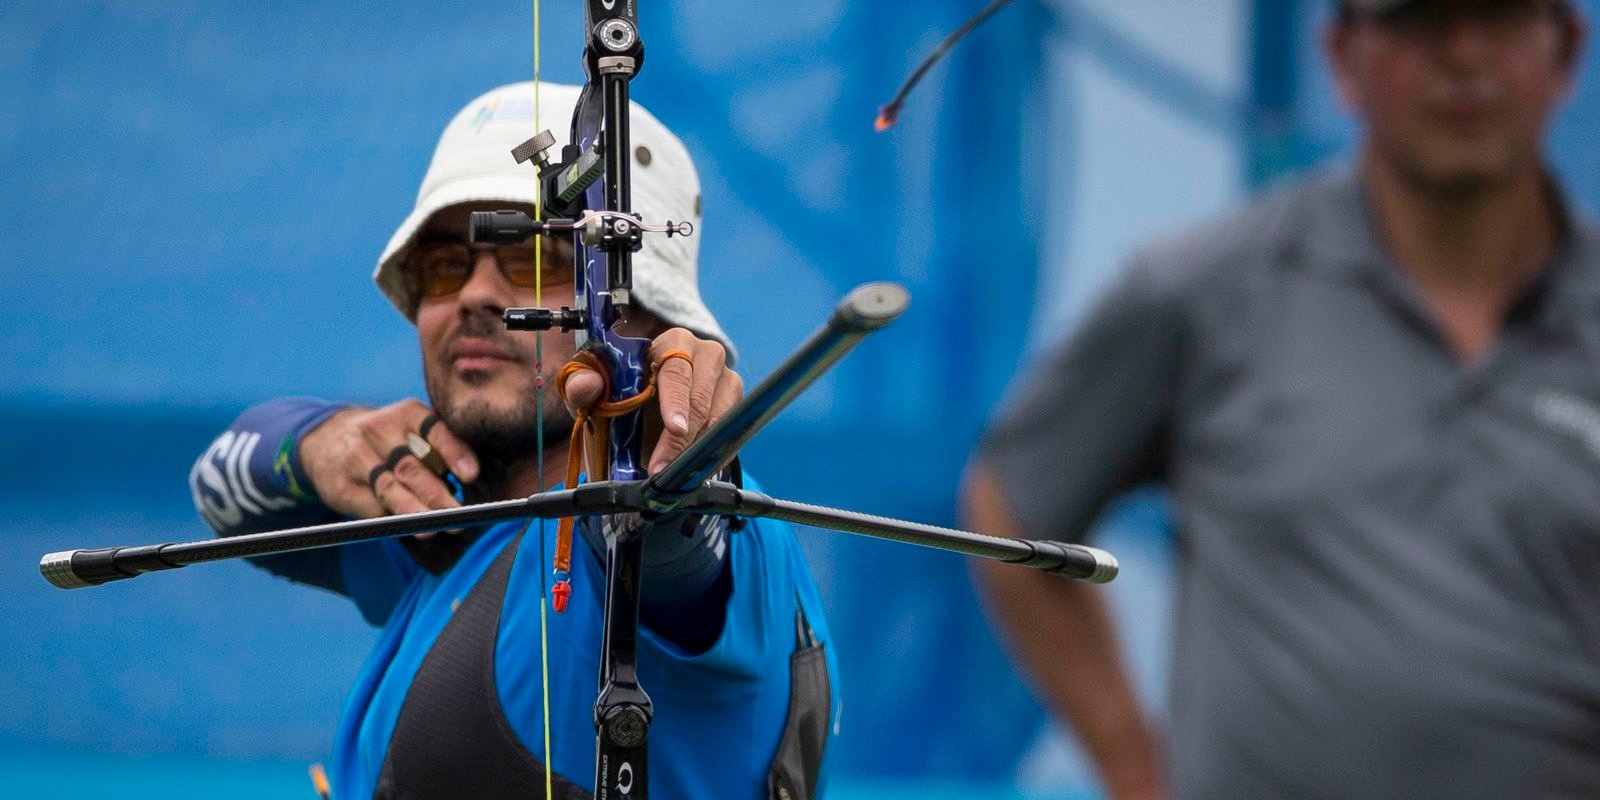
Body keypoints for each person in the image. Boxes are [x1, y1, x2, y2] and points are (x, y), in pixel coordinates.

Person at [963, 1, 1600, 798]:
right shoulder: (1202, 291)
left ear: (1566, 49)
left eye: (1499, 17)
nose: (1463, 55)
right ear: (1342, 57)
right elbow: (1011, 502)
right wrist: (1135, 770)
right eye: (1415, 19)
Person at [188, 81, 838, 800]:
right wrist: (322, 443)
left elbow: (677, 548)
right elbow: (224, 489)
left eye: (540, 260)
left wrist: (669, 465)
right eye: (444, 266)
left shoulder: (710, 547)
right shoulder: (441, 521)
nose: (475, 293)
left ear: (643, 316)